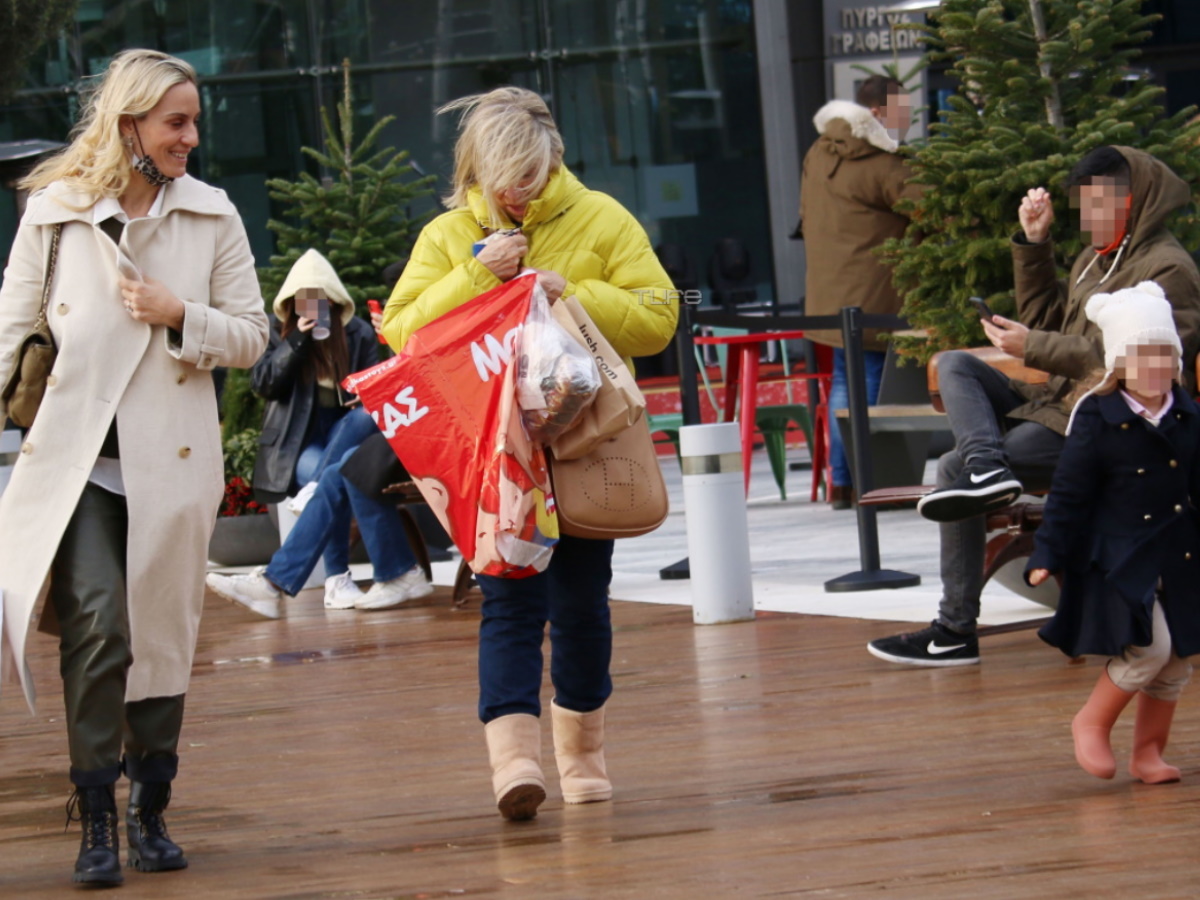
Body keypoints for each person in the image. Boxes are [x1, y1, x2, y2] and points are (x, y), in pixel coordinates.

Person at [0, 50, 269, 886]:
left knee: (158, 633)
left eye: (194, 121)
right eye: (175, 122)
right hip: (76, 459)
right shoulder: (56, 211)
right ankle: (96, 816)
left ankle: (151, 804)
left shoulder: (212, 215)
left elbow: (254, 336)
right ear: (130, 126)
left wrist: (177, 313)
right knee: (98, 627)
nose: (191, 136)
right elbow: (12, 330)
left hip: (169, 461)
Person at [383, 86, 677, 821]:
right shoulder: (451, 234)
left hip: (583, 446)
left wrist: (568, 290)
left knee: (581, 606)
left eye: (533, 174)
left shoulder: (602, 216)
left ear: (554, 160)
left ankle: (583, 754)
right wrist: (478, 274)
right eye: (503, 177)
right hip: (492, 453)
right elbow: (401, 334)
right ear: (475, 170)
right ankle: (514, 763)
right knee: (509, 605)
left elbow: (659, 318)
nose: (519, 191)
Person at [867, 145, 1200, 667]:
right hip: (1057, 403)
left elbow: (1145, 365)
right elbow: (1050, 319)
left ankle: (954, 629)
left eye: (1097, 205)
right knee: (956, 363)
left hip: (1104, 422)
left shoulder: (1168, 269)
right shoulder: (1098, 259)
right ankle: (987, 468)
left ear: (1132, 203)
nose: (1086, 218)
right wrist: (1035, 243)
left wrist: (1035, 347)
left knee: (951, 466)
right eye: (1082, 206)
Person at [1026, 282, 1200, 784]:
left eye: (1164, 356)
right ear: (1120, 364)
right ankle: (1092, 721)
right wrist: (1048, 552)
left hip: (1179, 551)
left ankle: (1148, 754)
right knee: (1150, 647)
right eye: (1142, 358)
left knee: (1178, 660)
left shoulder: (1187, 415)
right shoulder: (1100, 419)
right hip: (1121, 556)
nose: (1154, 369)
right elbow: (1069, 493)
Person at [208, 291, 432, 614]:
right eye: (305, 299)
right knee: (339, 470)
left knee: (344, 463)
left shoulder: (357, 332)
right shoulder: (280, 329)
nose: (315, 307)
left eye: (321, 300)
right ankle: (285, 583)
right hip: (303, 441)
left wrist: (395, 343)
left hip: (379, 434)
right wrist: (298, 339)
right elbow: (264, 383)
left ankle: (288, 581)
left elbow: (408, 378)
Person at [798, 75, 921, 509]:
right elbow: (930, 208)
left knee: (842, 384)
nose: (907, 117)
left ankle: (844, 484)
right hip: (873, 293)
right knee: (867, 380)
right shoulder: (883, 162)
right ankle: (869, 480)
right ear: (879, 112)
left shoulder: (820, 151)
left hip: (830, 292)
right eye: (902, 108)